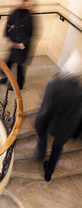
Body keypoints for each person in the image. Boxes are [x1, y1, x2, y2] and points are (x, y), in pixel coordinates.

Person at [35, 49, 82, 182]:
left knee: (42, 136)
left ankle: (40, 155)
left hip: (51, 122)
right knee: (57, 149)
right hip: (65, 128)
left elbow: (46, 109)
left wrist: (39, 126)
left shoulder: (54, 84)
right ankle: (48, 173)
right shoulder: (79, 91)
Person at [0, 0, 34, 90]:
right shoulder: (16, 12)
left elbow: (31, 33)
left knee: (20, 66)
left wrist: (23, 44)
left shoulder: (30, 16)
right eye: (25, 2)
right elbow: (9, 23)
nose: (28, 4)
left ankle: (19, 85)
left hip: (23, 46)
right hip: (15, 43)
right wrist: (6, 35)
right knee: (9, 62)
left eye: (28, 2)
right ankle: (6, 78)